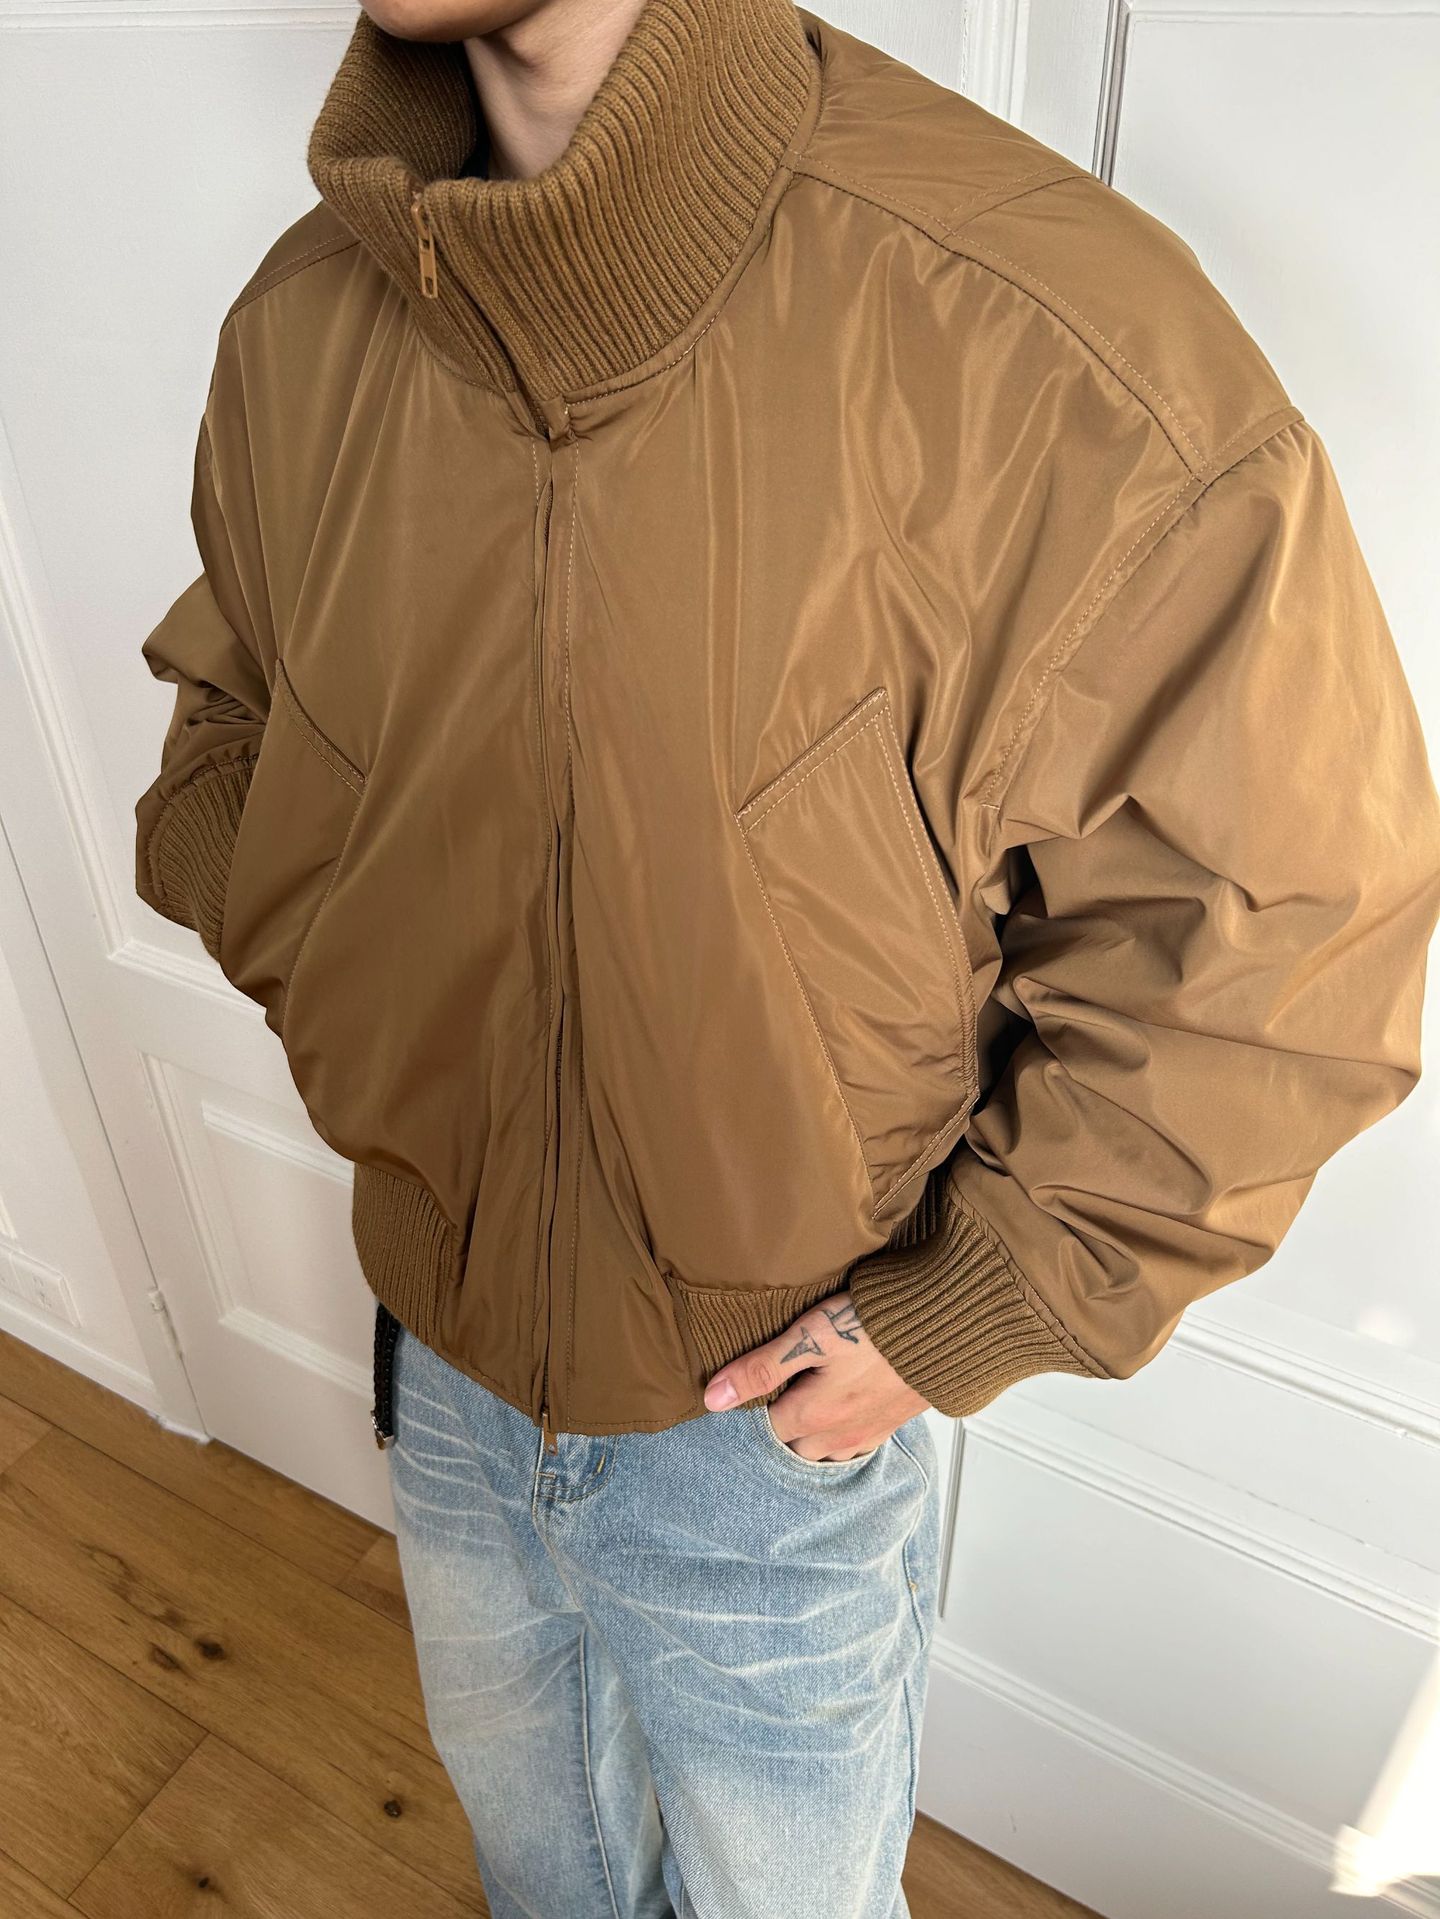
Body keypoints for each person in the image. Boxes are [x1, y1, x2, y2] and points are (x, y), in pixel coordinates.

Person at [131, 0, 1440, 1913]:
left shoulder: (1052, 342)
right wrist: (354, 978)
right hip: (444, 1351)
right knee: (541, 1879)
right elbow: (233, 742)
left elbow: (1285, 931)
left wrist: (971, 1304)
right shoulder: (308, 319)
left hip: (769, 1423)